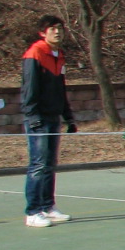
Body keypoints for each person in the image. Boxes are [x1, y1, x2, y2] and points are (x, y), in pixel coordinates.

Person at [19, 15, 77, 229]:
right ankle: (33, 212)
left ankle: (48, 207)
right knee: (38, 164)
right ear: (42, 33)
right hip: (39, 119)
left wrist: (68, 117)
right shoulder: (34, 53)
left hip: (53, 117)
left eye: (60, 28)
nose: (57, 32)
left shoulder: (59, 55)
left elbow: (61, 89)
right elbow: (29, 88)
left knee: (50, 165)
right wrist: (33, 116)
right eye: (52, 29)